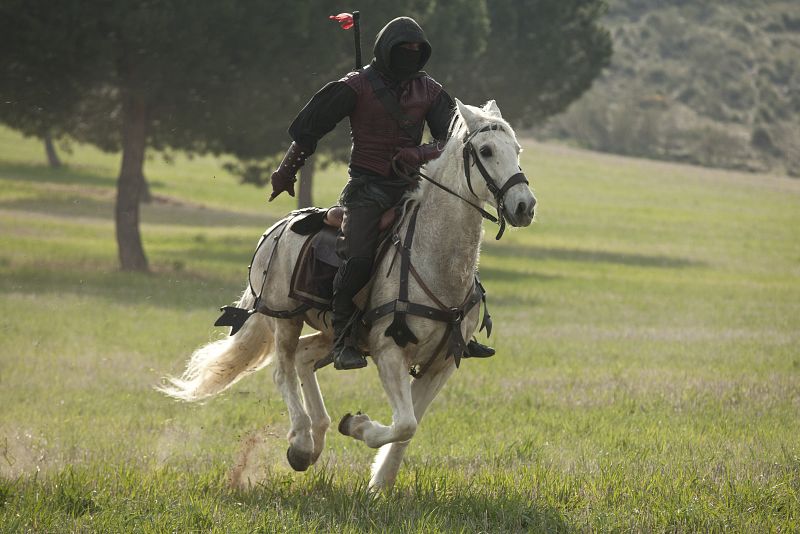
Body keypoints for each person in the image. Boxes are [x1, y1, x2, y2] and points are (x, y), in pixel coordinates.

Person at [269, 16, 494, 370]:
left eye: (416, 50)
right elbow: (310, 128)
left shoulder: (430, 91)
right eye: (403, 49)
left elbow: (453, 142)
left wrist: (417, 154)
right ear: (387, 51)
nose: (410, 55)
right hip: (366, 190)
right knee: (358, 258)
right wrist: (286, 171)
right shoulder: (356, 87)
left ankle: (458, 328)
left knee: (451, 244)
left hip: (413, 188)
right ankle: (343, 336)